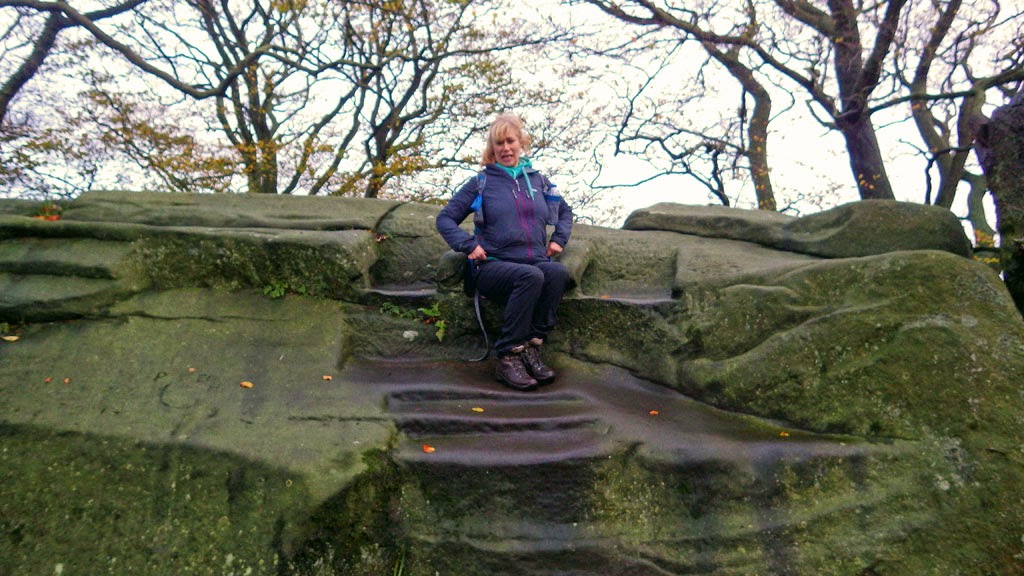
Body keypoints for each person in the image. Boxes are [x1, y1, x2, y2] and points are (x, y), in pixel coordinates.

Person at [436, 113, 573, 391]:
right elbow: (445, 219)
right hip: (492, 267)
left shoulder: (539, 181)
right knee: (531, 276)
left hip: (534, 261)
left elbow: (565, 212)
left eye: (510, 141)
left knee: (557, 273)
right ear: (492, 148)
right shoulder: (482, 182)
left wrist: (559, 238)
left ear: (521, 143)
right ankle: (508, 355)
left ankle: (531, 347)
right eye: (499, 143)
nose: (506, 148)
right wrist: (468, 245)